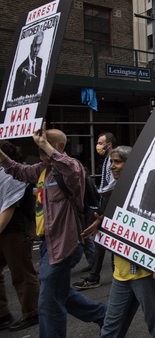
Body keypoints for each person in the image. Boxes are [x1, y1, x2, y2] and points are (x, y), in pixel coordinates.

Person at [0, 123, 107, 337]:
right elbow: (17, 170)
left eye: (46, 144)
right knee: (59, 293)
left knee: (48, 300)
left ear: (59, 145)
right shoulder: (42, 170)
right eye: (39, 145)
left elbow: (69, 166)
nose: (40, 149)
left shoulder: (70, 168)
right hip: (48, 244)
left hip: (65, 243)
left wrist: (47, 147)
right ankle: (104, 315)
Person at [83, 146, 155, 338]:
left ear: (131, 164)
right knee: (110, 330)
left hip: (145, 273)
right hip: (121, 273)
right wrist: (102, 224)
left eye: (117, 162)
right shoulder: (110, 195)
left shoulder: (147, 193)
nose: (113, 167)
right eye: (111, 163)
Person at [0, 141, 39, 332]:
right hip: (4, 230)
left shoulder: (13, 176)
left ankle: (33, 313)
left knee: (21, 272)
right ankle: (3, 315)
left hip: (15, 230)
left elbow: (8, 207)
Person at [74, 132, 117, 290]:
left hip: (111, 201)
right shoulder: (106, 160)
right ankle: (95, 276)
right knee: (100, 238)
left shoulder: (114, 159)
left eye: (100, 143)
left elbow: (113, 183)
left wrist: (98, 192)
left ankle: (112, 276)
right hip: (104, 201)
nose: (98, 146)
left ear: (109, 144)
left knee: (110, 238)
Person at [13, 31, 43, 100]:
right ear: (31, 46)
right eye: (35, 45)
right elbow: (16, 93)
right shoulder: (22, 67)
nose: (37, 50)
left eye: (39, 45)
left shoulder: (40, 61)